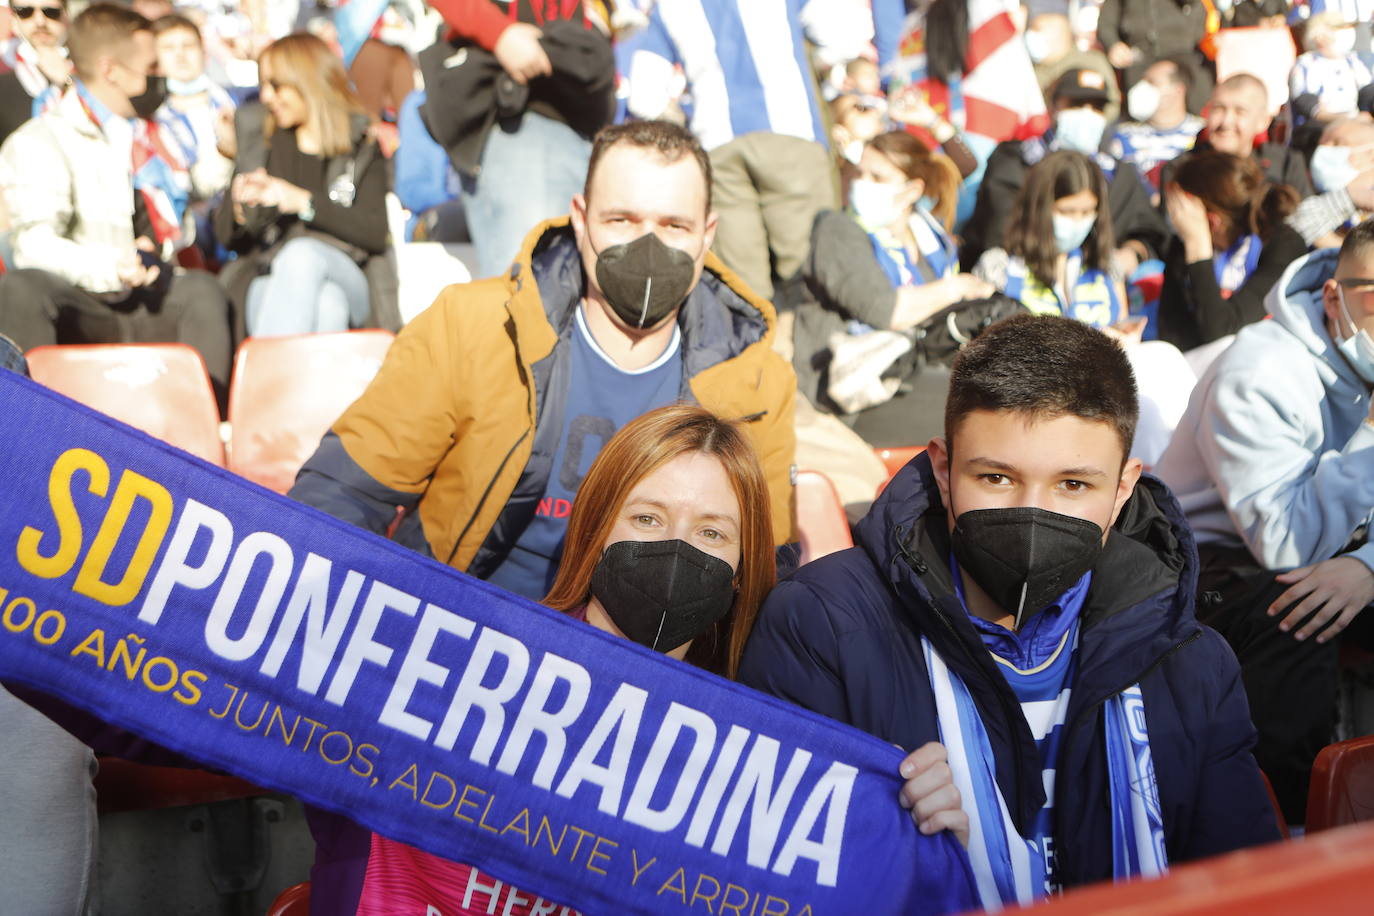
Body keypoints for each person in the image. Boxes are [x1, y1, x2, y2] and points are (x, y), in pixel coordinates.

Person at [739, 313, 1279, 908]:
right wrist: (914, 858)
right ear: (943, 469)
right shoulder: (821, 628)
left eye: (1072, 486)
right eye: (996, 478)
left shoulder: (1189, 663)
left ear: (1124, 489)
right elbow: (782, 876)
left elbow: (1250, 887)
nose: (1031, 514)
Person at [289, 118, 796, 605]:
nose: (649, 246)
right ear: (580, 218)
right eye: (621, 220)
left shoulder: (757, 383)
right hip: (457, 625)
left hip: (634, 663)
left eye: (674, 225)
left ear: (707, 236)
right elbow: (345, 491)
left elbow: (762, 571)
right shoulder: (471, 324)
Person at [1154, 220, 1374, 824]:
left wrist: (1367, 566)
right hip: (1212, 565)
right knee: (1301, 611)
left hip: (1341, 551)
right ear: (1335, 298)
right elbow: (1286, 541)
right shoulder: (1260, 373)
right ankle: (1291, 826)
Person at [0, 2, 231, 403]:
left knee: (203, 292)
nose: (162, 75)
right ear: (111, 71)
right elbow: (33, 245)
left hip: (148, 297)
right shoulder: (42, 140)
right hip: (86, 299)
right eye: (152, 67)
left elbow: (190, 192)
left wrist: (225, 152)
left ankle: (205, 433)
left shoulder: (153, 134)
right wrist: (114, 267)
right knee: (21, 289)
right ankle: (29, 431)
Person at [622, 0, 870, 302]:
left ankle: (768, 346)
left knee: (747, 293)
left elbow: (643, 98)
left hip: (718, 148)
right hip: (790, 134)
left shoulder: (669, 6)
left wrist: (684, 118)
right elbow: (844, 37)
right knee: (814, 273)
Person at [799, 130, 1000, 445]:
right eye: (860, 173)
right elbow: (886, 311)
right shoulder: (837, 229)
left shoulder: (932, 239)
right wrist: (956, 288)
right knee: (977, 415)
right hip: (851, 388)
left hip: (913, 373)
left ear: (911, 191)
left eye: (878, 177)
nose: (861, 183)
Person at [421, 0, 616, 280]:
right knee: (534, 286)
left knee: (561, 286)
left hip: (580, 121)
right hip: (521, 114)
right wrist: (499, 32)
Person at [214, 32, 391, 338]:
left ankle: (265, 381)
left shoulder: (361, 145)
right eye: (263, 85)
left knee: (303, 254)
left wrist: (302, 202)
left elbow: (375, 234)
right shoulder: (263, 141)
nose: (266, 97)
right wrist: (241, 205)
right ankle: (304, 386)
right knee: (328, 307)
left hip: (349, 272)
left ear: (307, 81)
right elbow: (229, 239)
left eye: (276, 85)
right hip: (270, 276)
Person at [961, 69, 1168, 275]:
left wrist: (1133, 253)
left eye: (1097, 108)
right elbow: (997, 230)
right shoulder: (1015, 160)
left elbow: (1150, 232)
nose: (1087, 114)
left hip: (1096, 289)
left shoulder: (1118, 172)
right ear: (1053, 106)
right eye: (1076, 104)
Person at [1158, 150, 1303, 350]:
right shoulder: (1181, 245)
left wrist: (1198, 247)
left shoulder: (1284, 245)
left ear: (1213, 221)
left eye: (1178, 209)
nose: (1174, 217)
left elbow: (1222, 330)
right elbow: (1172, 334)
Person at [973, 150, 1127, 329]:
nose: (1077, 221)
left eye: (1087, 212)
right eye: (1066, 211)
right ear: (1039, 208)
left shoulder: (1107, 266)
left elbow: (1121, 325)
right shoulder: (999, 268)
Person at [1161, 73, 1313, 198]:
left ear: (1263, 122)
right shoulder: (1181, 170)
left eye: (1240, 111)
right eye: (1218, 109)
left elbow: (1307, 225)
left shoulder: (1286, 165)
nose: (1226, 122)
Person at [152, 14, 234, 203]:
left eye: (188, 46)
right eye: (168, 48)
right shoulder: (155, 121)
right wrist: (226, 150)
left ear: (204, 53)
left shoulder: (236, 101)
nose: (180, 55)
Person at [1107, 56, 1204, 200]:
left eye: (1152, 82)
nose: (1142, 88)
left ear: (1178, 91)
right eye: (1143, 81)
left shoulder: (1201, 133)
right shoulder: (1122, 136)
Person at [1098, 0, 1212, 113]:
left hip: (1182, 50)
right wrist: (1113, 44)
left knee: (1198, 98)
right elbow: (1106, 23)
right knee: (1137, 106)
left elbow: (1197, 9)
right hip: (1138, 54)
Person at [1024, 11, 1121, 123]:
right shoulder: (1030, 67)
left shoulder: (1091, 62)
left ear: (1059, 34)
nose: (1031, 36)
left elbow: (1111, 103)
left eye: (1037, 31)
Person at [0, 0, 69, 145]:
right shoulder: (3, 87)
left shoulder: (92, 75)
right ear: (14, 21)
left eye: (51, 12)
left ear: (66, 17)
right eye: (26, 12)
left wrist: (68, 82)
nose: (40, 21)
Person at [1290, 11, 1371, 124]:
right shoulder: (1306, 63)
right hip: (1321, 127)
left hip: (1354, 121)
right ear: (1320, 36)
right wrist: (1342, 119)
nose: (1347, 31)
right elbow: (1306, 102)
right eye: (1339, 28)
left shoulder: (1352, 60)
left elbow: (1368, 90)